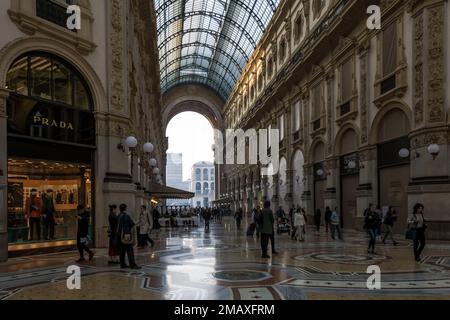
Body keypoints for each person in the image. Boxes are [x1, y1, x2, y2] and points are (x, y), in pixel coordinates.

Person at [117, 204, 140, 269]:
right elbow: (132, 224)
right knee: (130, 250)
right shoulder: (126, 216)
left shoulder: (118, 216)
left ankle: (122, 264)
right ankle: (132, 264)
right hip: (126, 235)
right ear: (125, 209)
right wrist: (137, 222)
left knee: (122, 250)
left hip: (120, 235)